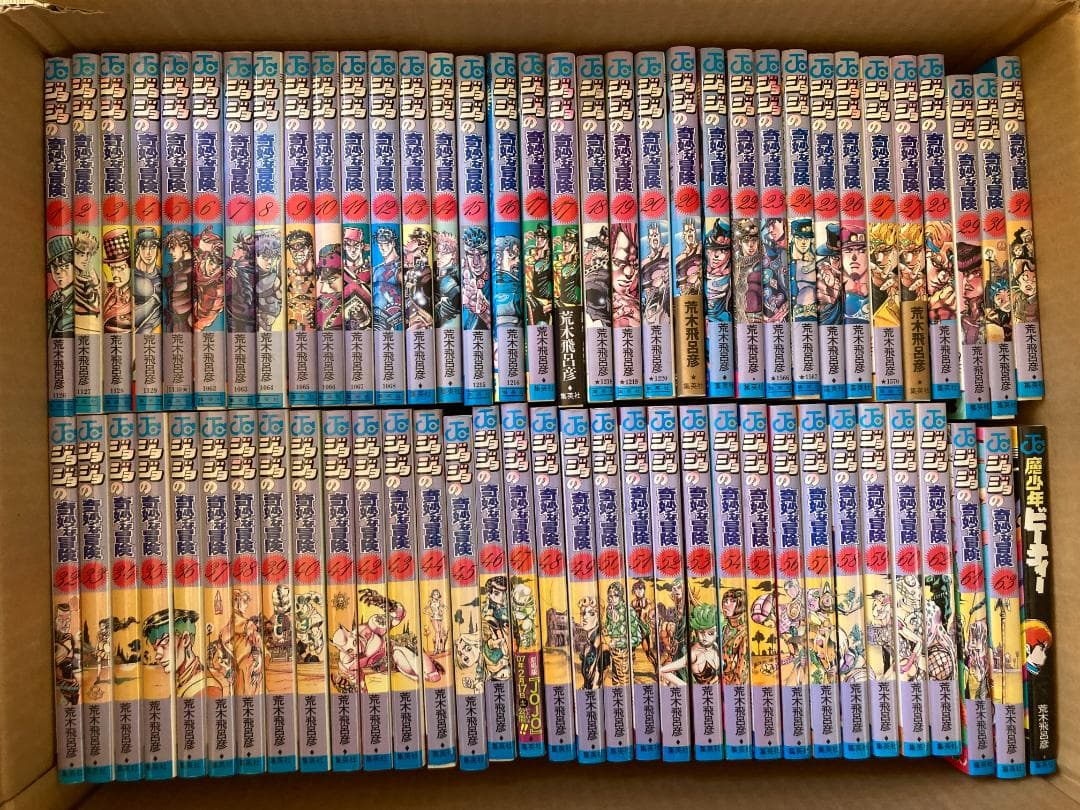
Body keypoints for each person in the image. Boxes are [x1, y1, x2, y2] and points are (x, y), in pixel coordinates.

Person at [102, 228, 132, 333]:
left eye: (120, 268)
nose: (115, 274)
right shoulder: (108, 291)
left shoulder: (139, 294)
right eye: (112, 269)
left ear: (131, 267)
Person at [46, 235, 75, 338]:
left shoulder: (80, 297)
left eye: (65, 266)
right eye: (54, 267)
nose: (59, 272)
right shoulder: (53, 298)